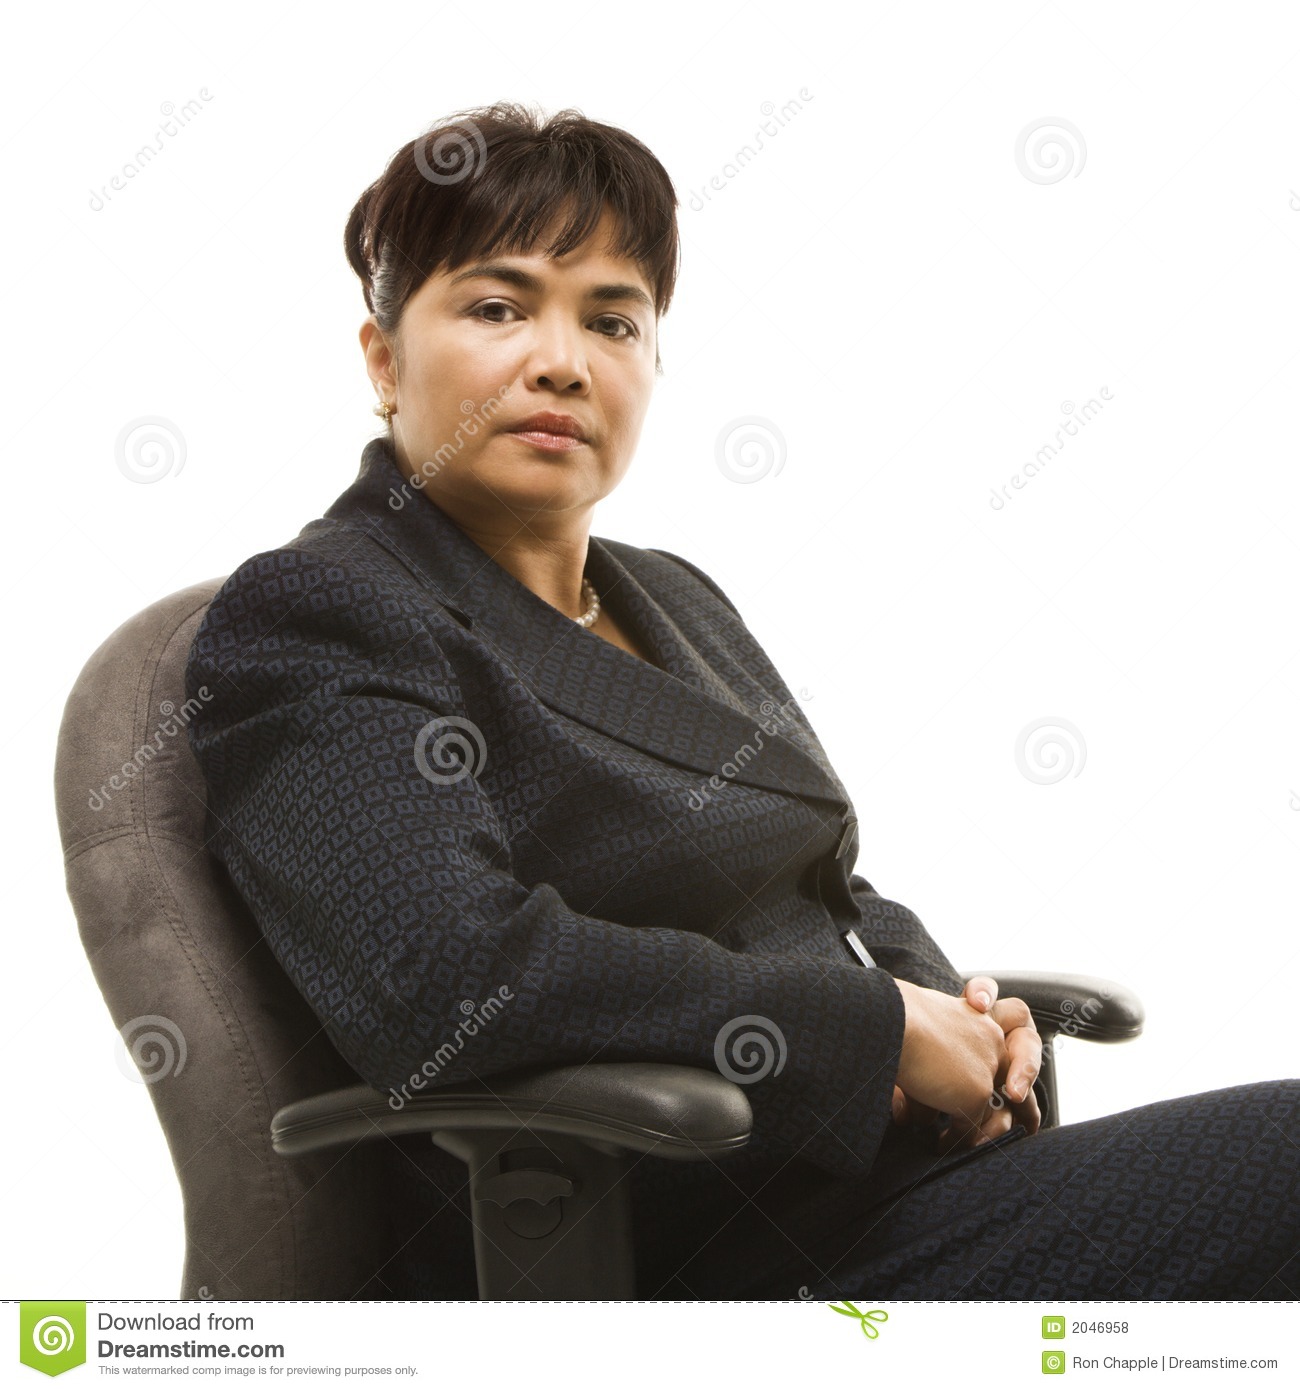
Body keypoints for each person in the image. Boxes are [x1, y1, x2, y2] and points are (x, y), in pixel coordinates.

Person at [184, 102, 1299, 1299]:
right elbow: (453, 976)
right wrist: (872, 1033)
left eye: (613, 318)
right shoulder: (321, 609)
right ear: (383, 358)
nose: (562, 358)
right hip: (706, 1249)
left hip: (889, 1182)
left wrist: (966, 1019)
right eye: (498, 307)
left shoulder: (673, 597)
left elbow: (828, 883)